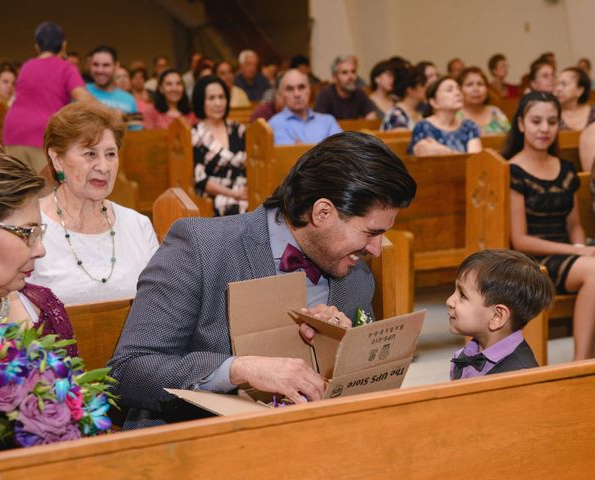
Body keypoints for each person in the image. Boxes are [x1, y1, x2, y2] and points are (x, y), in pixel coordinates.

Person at [108, 131, 417, 428]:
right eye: (371, 232)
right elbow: (128, 371)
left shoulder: (356, 276)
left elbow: (362, 388)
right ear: (322, 213)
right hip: (199, 443)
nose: (377, 249)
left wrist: (339, 347)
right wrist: (238, 370)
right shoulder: (202, 248)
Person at [0, 135, 78, 456]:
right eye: (27, 233)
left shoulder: (44, 309)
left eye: (40, 233)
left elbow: (76, 417)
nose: (40, 250)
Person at [29, 102, 158, 305]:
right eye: (90, 154)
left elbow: (159, 305)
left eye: (110, 154)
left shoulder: (138, 226)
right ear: (57, 159)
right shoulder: (30, 226)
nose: (104, 167)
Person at [502, 91, 595, 360]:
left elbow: (575, 223)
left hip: (569, 256)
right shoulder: (512, 170)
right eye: (536, 121)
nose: (544, 128)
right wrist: (577, 252)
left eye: (552, 121)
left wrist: (578, 246)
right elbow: (520, 239)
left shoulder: (564, 168)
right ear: (521, 124)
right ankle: (581, 363)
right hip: (532, 261)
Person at [2, 22, 91, 188]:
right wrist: (111, 113)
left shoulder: (27, 67)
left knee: (18, 193)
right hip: (41, 134)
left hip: (13, 131)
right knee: (48, 194)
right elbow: (82, 97)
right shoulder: (66, 67)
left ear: (37, 47)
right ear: (64, 45)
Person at [447, 249, 554, 380]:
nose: (449, 301)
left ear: (497, 317)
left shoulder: (520, 376)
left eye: (463, 295)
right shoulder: (464, 356)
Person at [191, 76, 248, 216]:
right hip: (212, 196)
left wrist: (247, 191)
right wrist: (233, 194)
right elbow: (200, 179)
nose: (218, 103)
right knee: (234, 208)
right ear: (201, 101)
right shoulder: (195, 135)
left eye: (221, 97)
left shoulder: (239, 130)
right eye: (211, 98)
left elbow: (252, 167)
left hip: (244, 191)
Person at [409, 76, 482, 156]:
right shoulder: (424, 126)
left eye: (458, 89)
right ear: (433, 102)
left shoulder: (468, 126)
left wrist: (446, 152)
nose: (458, 93)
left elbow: (475, 161)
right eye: (449, 90)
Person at [268, 69, 341, 145]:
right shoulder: (274, 124)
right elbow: (291, 154)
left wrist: (302, 147)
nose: (297, 94)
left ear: (309, 90)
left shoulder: (328, 121)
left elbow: (344, 152)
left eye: (301, 87)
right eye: (290, 89)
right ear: (282, 94)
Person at [86, 45, 139, 129]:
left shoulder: (129, 99)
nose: (100, 70)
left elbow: (137, 134)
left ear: (116, 66)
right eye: (95, 65)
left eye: (106, 65)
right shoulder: (80, 93)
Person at [314, 55, 377, 120]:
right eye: (344, 73)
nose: (351, 77)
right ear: (334, 78)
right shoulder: (325, 94)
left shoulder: (360, 94)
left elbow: (372, 119)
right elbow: (319, 123)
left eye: (353, 72)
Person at [457, 67, 510, 135]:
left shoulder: (496, 113)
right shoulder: (455, 117)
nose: (476, 89)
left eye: (480, 84)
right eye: (469, 84)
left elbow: (511, 140)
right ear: (460, 90)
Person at [382, 66, 426, 131]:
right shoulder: (396, 115)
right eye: (422, 85)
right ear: (410, 90)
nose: (426, 88)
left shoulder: (419, 112)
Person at [554, 67, 595, 131]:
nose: (558, 89)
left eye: (564, 84)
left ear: (580, 90)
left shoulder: (593, 113)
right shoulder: (553, 114)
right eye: (557, 84)